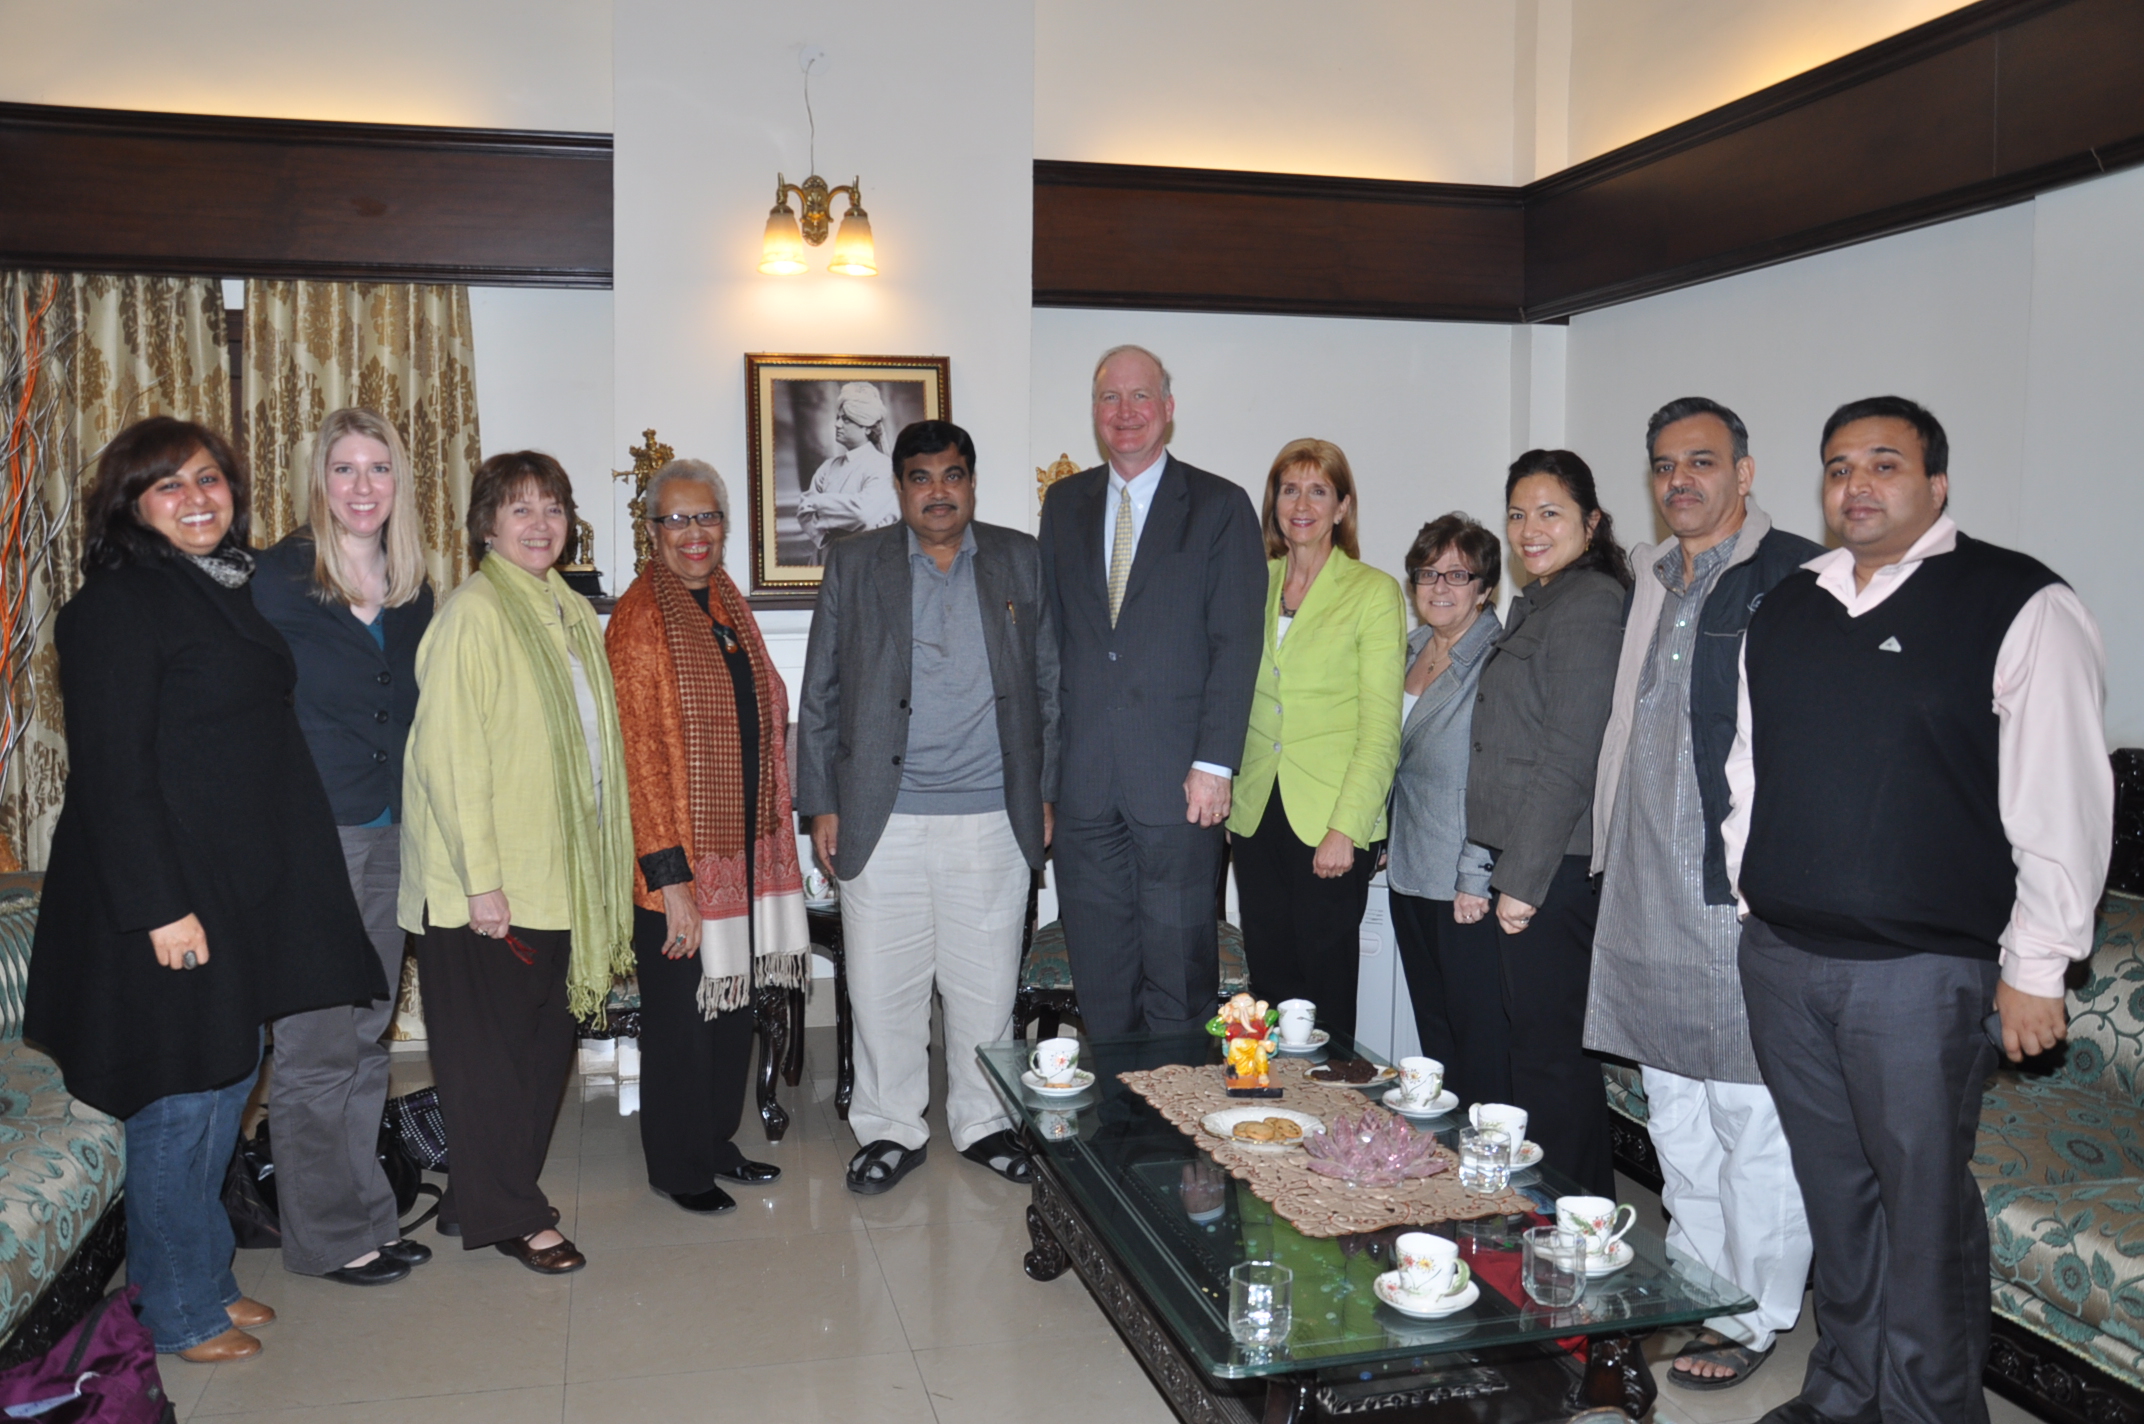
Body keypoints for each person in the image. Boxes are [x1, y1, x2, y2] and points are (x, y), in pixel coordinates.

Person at [1727, 397, 2111, 1424]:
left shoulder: (2016, 600)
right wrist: (1746, 894)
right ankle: (1843, 1389)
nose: (1856, 484)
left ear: (1935, 483)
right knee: (1837, 1203)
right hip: (1782, 957)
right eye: (1838, 464)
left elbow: (2061, 797)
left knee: (1923, 1208)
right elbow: (1749, 770)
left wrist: (2036, 963)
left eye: (1883, 463)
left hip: (1917, 976)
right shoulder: (1789, 602)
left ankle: (1930, 1408)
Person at [26, 417, 385, 1360]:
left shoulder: (225, 586)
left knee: (229, 1081)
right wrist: (160, 908)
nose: (198, 499)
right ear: (133, 507)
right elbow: (112, 773)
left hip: (231, 886)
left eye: (210, 480)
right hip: (159, 897)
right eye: (170, 487)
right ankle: (175, 1309)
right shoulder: (116, 606)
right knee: (182, 1101)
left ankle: (210, 1281)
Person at [1581, 398, 1821, 1390]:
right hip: (1641, 884)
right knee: (1673, 1111)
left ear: (1744, 469)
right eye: (1664, 465)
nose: (1680, 479)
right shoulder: (1650, 573)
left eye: (1701, 461)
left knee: (1751, 1115)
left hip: (1736, 896)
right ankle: (1695, 1288)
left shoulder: (1794, 575)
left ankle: (1756, 1312)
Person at [798, 420, 1060, 1194]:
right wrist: (820, 804)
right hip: (884, 816)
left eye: (953, 475)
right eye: (921, 477)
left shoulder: (1019, 558)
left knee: (985, 992)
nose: (938, 491)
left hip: (993, 815)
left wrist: (1046, 792)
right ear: (900, 486)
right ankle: (890, 1130)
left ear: (972, 483)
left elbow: (1051, 685)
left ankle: (984, 1123)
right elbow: (821, 694)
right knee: (883, 989)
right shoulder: (854, 563)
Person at [398, 451, 634, 1274]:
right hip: (489, 884)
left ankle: (481, 1191)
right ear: (487, 525)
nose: (541, 525)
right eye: (520, 510)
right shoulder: (474, 614)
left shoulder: (564, 609)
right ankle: (515, 1216)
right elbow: (449, 760)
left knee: (538, 1054)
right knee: (492, 1065)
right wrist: (480, 881)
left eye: (554, 509)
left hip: (559, 876)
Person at [251, 409, 437, 1287]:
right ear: (317, 481)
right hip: (310, 841)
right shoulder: (271, 580)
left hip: (395, 834)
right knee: (316, 1044)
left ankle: (368, 1212)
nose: (363, 487)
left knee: (367, 1036)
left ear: (400, 483)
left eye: (379, 469)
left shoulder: (415, 587)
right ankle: (326, 1237)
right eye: (344, 470)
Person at [1036, 345, 1265, 1037]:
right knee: (1101, 980)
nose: (1125, 412)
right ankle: (1116, 1134)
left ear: (1168, 410)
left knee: (1179, 977)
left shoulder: (1220, 506)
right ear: (1095, 413)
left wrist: (1215, 763)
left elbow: (1236, 645)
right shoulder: (1064, 503)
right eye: (1110, 398)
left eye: (1141, 398)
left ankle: (1171, 1135)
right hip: (1084, 790)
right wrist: (1047, 781)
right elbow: (1050, 649)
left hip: (1180, 787)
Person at [607, 458, 803, 1214]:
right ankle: (678, 1164)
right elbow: (639, 760)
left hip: (743, 851)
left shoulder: (728, 604)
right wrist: (670, 877)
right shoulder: (639, 621)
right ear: (651, 531)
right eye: (677, 520)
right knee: (683, 1023)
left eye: (707, 517)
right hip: (679, 864)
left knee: (729, 1012)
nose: (694, 534)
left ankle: (717, 1141)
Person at [1465, 449, 1629, 1197]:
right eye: (1518, 514)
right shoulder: (1543, 598)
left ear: (1590, 522)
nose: (1530, 529)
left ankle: (1576, 1229)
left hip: (1554, 870)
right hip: (1529, 863)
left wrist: (1521, 884)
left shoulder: (1591, 602)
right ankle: (1547, 1220)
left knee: (1554, 1064)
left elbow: (1571, 752)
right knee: (1534, 1055)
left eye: (1550, 512)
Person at [1227, 439, 1405, 1044]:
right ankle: (1274, 1119)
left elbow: (1381, 729)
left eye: (1318, 490)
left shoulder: (1372, 592)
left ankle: (1328, 1126)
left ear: (1342, 506)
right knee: (1270, 984)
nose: (1301, 503)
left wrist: (1346, 828)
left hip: (1331, 817)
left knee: (1324, 992)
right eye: (1289, 488)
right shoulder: (1252, 582)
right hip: (1256, 813)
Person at [1386, 513, 1507, 1106]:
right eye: (1427, 572)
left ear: (1485, 588)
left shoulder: (1497, 662)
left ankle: (1487, 1165)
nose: (1439, 587)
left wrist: (1475, 876)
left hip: (1465, 881)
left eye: (1458, 575)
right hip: (1409, 868)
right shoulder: (1407, 649)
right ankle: (1447, 1164)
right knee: (1433, 1030)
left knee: (1477, 1037)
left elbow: (1498, 775)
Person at [796, 381, 899, 553]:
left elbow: (863, 513)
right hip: (828, 552)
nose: (837, 425)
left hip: (867, 555)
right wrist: (829, 536)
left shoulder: (883, 467)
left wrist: (817, 501)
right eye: (838, 418)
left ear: (867, 428)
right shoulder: (827, 467)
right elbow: (804, 512)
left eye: (846, 420)